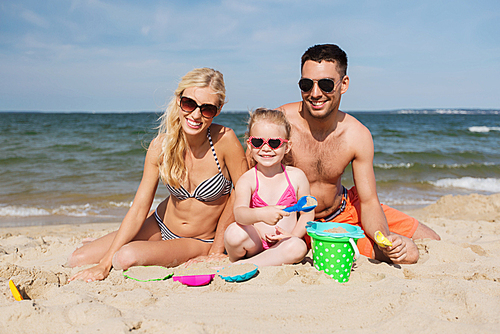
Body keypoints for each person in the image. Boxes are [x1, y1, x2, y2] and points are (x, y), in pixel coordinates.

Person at [68, 68, 248, 282]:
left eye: (207, 108)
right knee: (77, 259)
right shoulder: (161, 146)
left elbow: (241, 191)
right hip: (159, 224)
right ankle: (121, 246)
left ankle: (143, 249)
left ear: (217, 110)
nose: (196, 115)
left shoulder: (225, 141)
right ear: (179, 99)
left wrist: (216, 251)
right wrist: (103, 264)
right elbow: (139, 209)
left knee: (125, 257)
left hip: (199, 240)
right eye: (189, 104)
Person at [279, 44, 440, 264]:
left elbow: (369, 201)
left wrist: (383, 238)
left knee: (431, 240)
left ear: (343, 84)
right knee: (399, 255)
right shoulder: (280, 123)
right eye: (306, 84)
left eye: (326, 84)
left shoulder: (357, 135)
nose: (315, 94)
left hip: (345, 209)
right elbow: (250, 181)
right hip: (297, 222)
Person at [224, 108, 314, 266]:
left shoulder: (297, 177)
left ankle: (242, 265)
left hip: (284, 243)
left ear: (287, 147)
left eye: (274, 143)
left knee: (299, 247)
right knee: (233, 233)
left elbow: (307, 214)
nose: (266, 148)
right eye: (258, 142)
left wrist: (292, 235)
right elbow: (239, 214)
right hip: (255, 243)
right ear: (250, 146)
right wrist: (261, 214)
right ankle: (247, 261)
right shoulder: (248, 179)